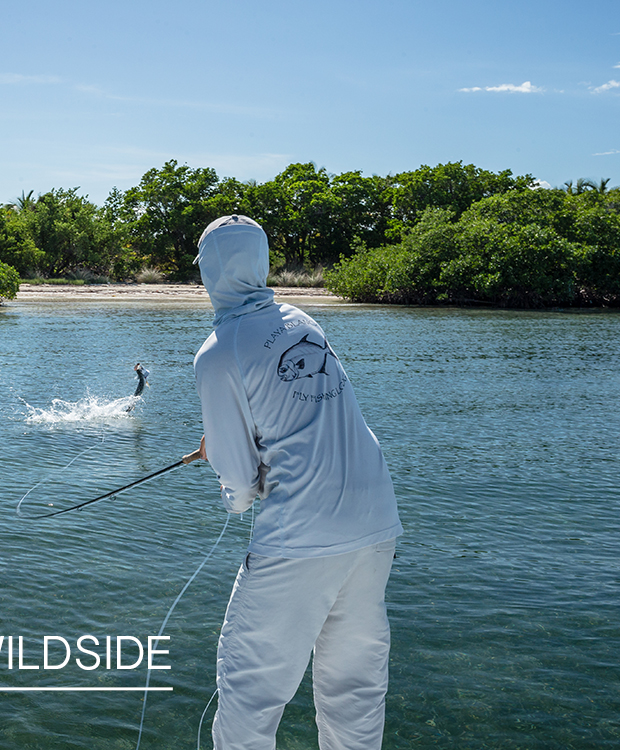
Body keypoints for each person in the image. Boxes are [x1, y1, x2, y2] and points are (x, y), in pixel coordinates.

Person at [191, 215, 403, 750]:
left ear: (211, 271)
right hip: (377, 522)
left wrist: (229, 474)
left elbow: (239, 490)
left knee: (250, 694)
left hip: (302, 538)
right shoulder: (303, 320)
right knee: (354, 689)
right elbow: (302, 418)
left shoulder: (217, 353)